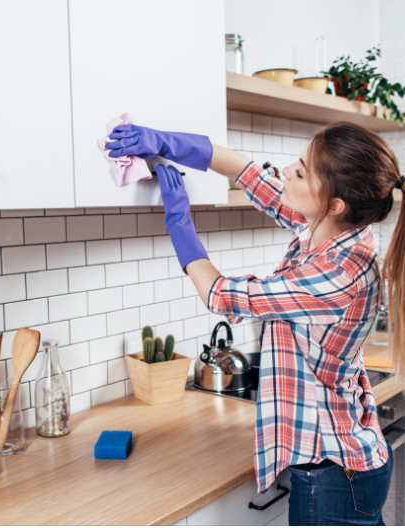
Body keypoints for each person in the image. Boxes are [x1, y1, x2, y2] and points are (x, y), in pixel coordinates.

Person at [106, 121, 404, 525]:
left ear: (334, 203)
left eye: (300, 171)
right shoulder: (330, 229)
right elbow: (248, 172)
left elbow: (220, 294)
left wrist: (178, 221)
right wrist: (165, 141)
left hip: (335, 474)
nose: (285, 171)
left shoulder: (339, 272)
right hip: (339, 462)